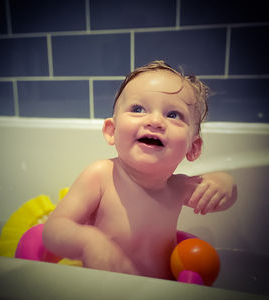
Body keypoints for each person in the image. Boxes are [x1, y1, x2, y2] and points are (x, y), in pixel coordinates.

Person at [43, 61, 237, 279]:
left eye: (173, 115)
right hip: (104, 289)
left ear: (193, 147)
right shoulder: (101, 175)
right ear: (111, 131)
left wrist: (225, 183)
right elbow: (53, 230)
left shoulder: (178, 187)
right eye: (138, 109)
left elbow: (223, 200)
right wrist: (89, 242)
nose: (155, 121)